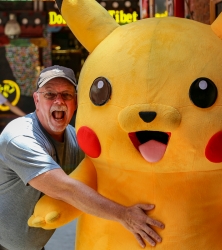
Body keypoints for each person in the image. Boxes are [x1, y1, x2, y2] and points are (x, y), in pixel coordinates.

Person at [0, 65, 164, 250]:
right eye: (50, 95)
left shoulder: (75, 138)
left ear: (76, 102)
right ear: (37, 100)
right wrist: (124, 215)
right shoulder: (19, 137)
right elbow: (64, 189)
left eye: (66, 95)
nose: (59, 101)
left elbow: (101, 170)